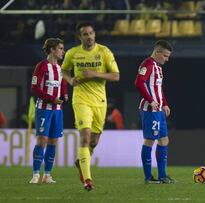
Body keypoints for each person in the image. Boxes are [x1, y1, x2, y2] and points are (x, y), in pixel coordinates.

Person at [62, 22, 120, 191]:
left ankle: (81, 162)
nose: (88, 36)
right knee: (85, 137)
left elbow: (116, 76)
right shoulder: (72, 53)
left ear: (94, 34)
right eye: (85, 34)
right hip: (81, 100)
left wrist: (94, 74)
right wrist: (70, 80)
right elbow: (64, 70)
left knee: (94, 141)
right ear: (79, 37)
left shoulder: (104, 52)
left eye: (91, 33)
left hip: (100, 101)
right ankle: (88, 180)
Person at [134, 40, 175, 184]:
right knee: (150, 140)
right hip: (150, 109)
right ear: (157, 52)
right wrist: (151, 101)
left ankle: (163, 176)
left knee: (164, 140)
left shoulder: (158, 67)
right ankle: (148, 177)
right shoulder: (148, 64)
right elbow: (139, 82)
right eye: (165, 55)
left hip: (158, 110)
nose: (167, 59)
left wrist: (165, 104)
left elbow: (158, 88)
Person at [29, 38, 67, 184]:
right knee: (42, 140)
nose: (63, 51)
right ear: (52, 49)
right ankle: (36, 174)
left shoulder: (60, 67)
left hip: (57, 110)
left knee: (53, 141)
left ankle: (47, 175)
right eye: (61, 48)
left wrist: (65, 94)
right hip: (44, 109)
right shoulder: (41, 66)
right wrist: (51, 98)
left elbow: (62, 83)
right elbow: (35, 88)